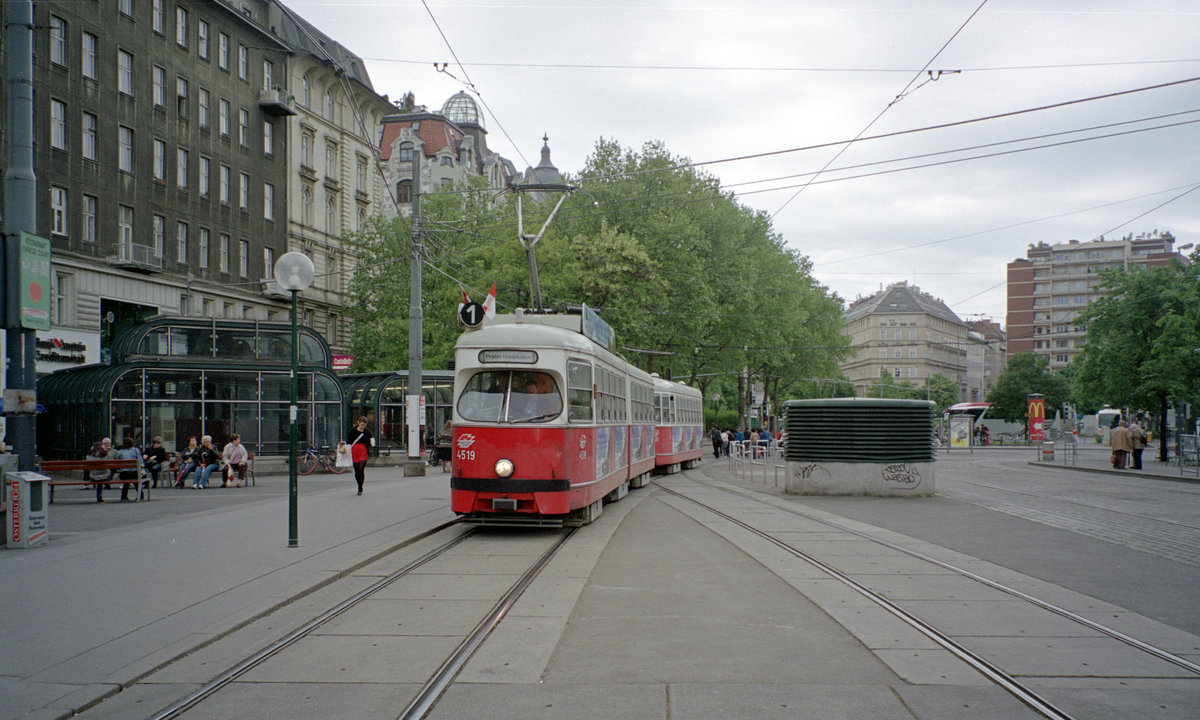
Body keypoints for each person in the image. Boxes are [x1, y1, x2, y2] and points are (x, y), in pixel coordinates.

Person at [85, 437, 116, 503]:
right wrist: (106, 450)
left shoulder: (88, 456)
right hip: (105, 476)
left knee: (98, 475)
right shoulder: (105, 454)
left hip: (93, 476)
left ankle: (99, 495)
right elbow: (110, 460)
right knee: (107, 472)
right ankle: (104, 488)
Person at [348, 417, 372, 494]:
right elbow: (349, 440)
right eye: (362, 424)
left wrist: (371, 443)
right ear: (358, 423)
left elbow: (370, 440)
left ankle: (360, 487)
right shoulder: (353, 430)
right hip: (355, 449)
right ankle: (359, 483)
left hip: (363, 449)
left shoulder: (367, 432)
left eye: (364, 425)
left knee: (361, 468)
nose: (363, 426)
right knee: (356, 469)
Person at [114, 436, 142, 502]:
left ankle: (124, 496)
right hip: (134, 473)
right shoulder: (136, 450)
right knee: (136, 482)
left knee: (125, 483)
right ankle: (141, 495)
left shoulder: (120, 452)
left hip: (124, 473)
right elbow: (140, 461)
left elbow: (117, 462)